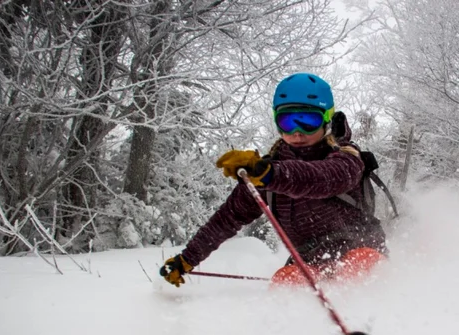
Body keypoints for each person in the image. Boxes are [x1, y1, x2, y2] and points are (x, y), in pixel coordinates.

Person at [160, 72, 387, 287]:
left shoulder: (347, 156)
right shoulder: (267, 172)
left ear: (327, 120)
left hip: (360, 247)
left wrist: (270, 174)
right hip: (308, 260)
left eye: (307, 121)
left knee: (356, 266)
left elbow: (324, 178)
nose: (297, 132)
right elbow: (228, 218)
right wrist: (186, 259)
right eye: (287, 122)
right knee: (287, 282)